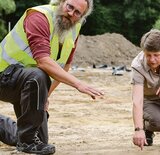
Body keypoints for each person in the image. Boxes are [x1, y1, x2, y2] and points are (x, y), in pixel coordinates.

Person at [0, 0, 103, 154]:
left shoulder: (74, 29)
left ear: (81, 17)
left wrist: (44, 96)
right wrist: (78, 84)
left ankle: (24, 138)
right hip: (4, 77)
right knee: (38, 74)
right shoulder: (39, 16)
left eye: (77, 13)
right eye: (70, 7)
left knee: (39, 139)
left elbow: (65, 66)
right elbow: (43, 61)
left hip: (28, 82)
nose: (71, 13)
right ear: (61, 2)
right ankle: (26, 143)